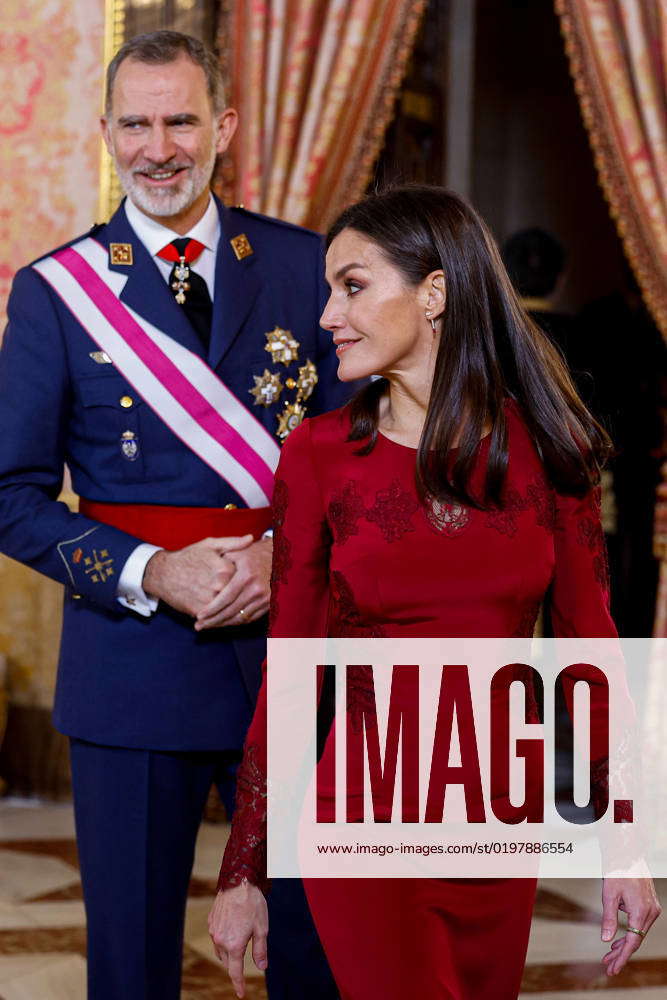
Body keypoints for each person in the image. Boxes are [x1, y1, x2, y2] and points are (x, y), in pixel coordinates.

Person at [208, 185, 661, 999]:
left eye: (352, 286)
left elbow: (591, 655)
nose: (326, 316)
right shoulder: (318, 457)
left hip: (500, 817)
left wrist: (624, 847)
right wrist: (245, 869)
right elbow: (290, 673)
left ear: (434, 292)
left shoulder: (550, 450)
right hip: (363, 812)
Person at [0, 30, 346, 1000]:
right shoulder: (56, 292)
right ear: (107, 133)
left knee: (315, 953)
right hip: (131, 665)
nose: (160, 146)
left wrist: (282, 552)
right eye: (137, 123)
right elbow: (9, 494)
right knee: (133, 966)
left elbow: (358, 466)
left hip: (289, 653)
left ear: (223, 125)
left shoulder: (304, 265)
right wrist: (154, 570)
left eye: (181, 119)